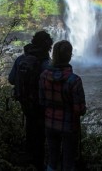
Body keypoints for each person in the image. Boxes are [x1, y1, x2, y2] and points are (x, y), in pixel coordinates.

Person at [8, 30, 53, 171]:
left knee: (30, 126)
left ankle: (29, 158)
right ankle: (39, 163)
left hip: (25, 101)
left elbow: (11, 80)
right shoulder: (47, 64)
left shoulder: (21, 59)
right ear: (48, 46)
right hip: (41, 105)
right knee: (40, 133)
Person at [39, 40, 86, 171]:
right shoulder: (74, 80)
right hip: (69, 126)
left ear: (53, 55)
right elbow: (79, 109)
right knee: (68, 161)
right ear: (70, 55)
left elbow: (41, 102)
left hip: (50, 123)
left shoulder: (43, 76)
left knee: (52, 159)